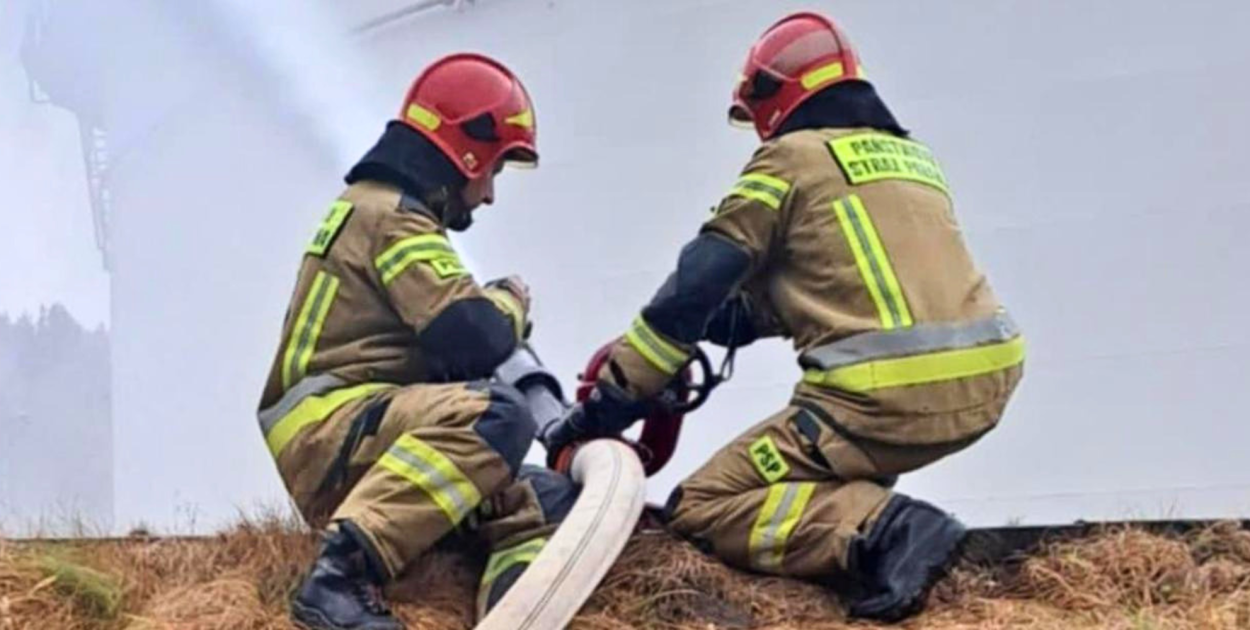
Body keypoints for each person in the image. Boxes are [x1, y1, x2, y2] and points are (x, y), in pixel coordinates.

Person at [541, 12, 1024, 623]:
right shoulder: (911, 158)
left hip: (881, 401)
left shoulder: (788, 160)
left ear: (774, 96)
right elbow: (846, 279)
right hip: (987, 382)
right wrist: (742, 318)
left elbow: (690, 292)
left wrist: (612, 401)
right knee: (837, 454)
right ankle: (867, 531)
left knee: (703, 504)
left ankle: (880, 530)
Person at [257, 53, 575, 630]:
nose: (489, 196)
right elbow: (474, 336)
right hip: (332, 433)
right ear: (469, 151)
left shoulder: (378, 211)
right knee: (499, 416)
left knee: (546, 496)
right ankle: (338, 578)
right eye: (494, 172)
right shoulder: (393, 217)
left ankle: (512, 611)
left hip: (363, 436)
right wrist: (511, 300)